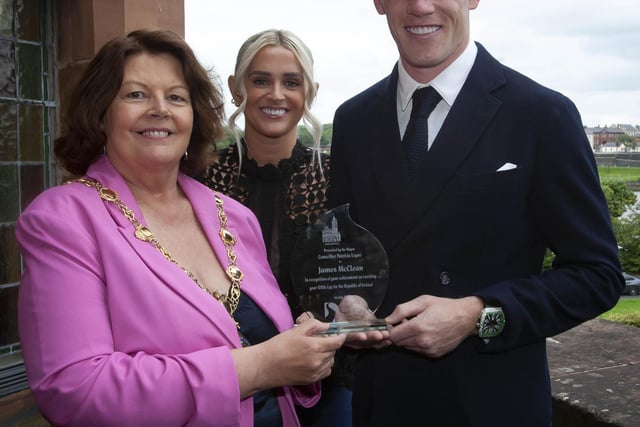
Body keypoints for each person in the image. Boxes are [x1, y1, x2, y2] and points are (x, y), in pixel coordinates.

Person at [16, 28, 346, 427]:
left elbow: (271, 353)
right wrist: (261, 366)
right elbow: (76, 391)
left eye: (176, 97)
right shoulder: (63, 220)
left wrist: (303, 353)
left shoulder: (234, 216)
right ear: (100, 112)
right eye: (136, 94)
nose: (160, 109)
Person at [328, 1, 625, 426]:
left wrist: (477, 316)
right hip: (384, 402)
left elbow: (598, 275)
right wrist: (344, 304)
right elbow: (344, 255)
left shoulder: (542, 115)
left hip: (493, 404)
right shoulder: (353, 120)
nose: (419, 5)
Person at [201, 29, 354, 427]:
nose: (276, 94)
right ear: (237, 88)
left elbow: (359, 270)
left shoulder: (339, 179)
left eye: (291, 82)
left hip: (328, 373)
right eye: (260, 80)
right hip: (230, 376)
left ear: (310, 92)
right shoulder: (199, 181)